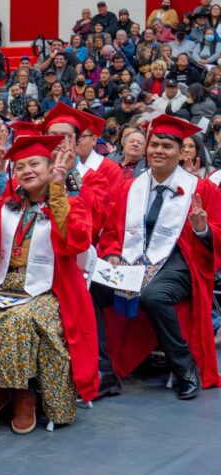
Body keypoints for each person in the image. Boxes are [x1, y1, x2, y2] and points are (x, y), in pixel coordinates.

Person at [0, 134, 99, 434]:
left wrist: (59, 191)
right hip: (6, 283)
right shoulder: (7, 207)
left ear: (51, 169)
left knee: (18, 319)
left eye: (34, 164)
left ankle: (24, 393)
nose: (26, 171)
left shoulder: (73, 202)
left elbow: (76, 242)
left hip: (52, 288)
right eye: (20, 167)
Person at [93, 114, 221, 399]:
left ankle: (185, 367)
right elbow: (112, 230)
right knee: (92, 290)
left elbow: (218, 231)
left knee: (153, 295)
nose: (159, 151)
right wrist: (113, 253)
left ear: (180, 152)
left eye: (167, 146)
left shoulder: (199, 189)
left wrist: (203, 230)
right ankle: (105, 372)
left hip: (181, 264)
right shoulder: (130, 187)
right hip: (132, 262)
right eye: (155, 145)